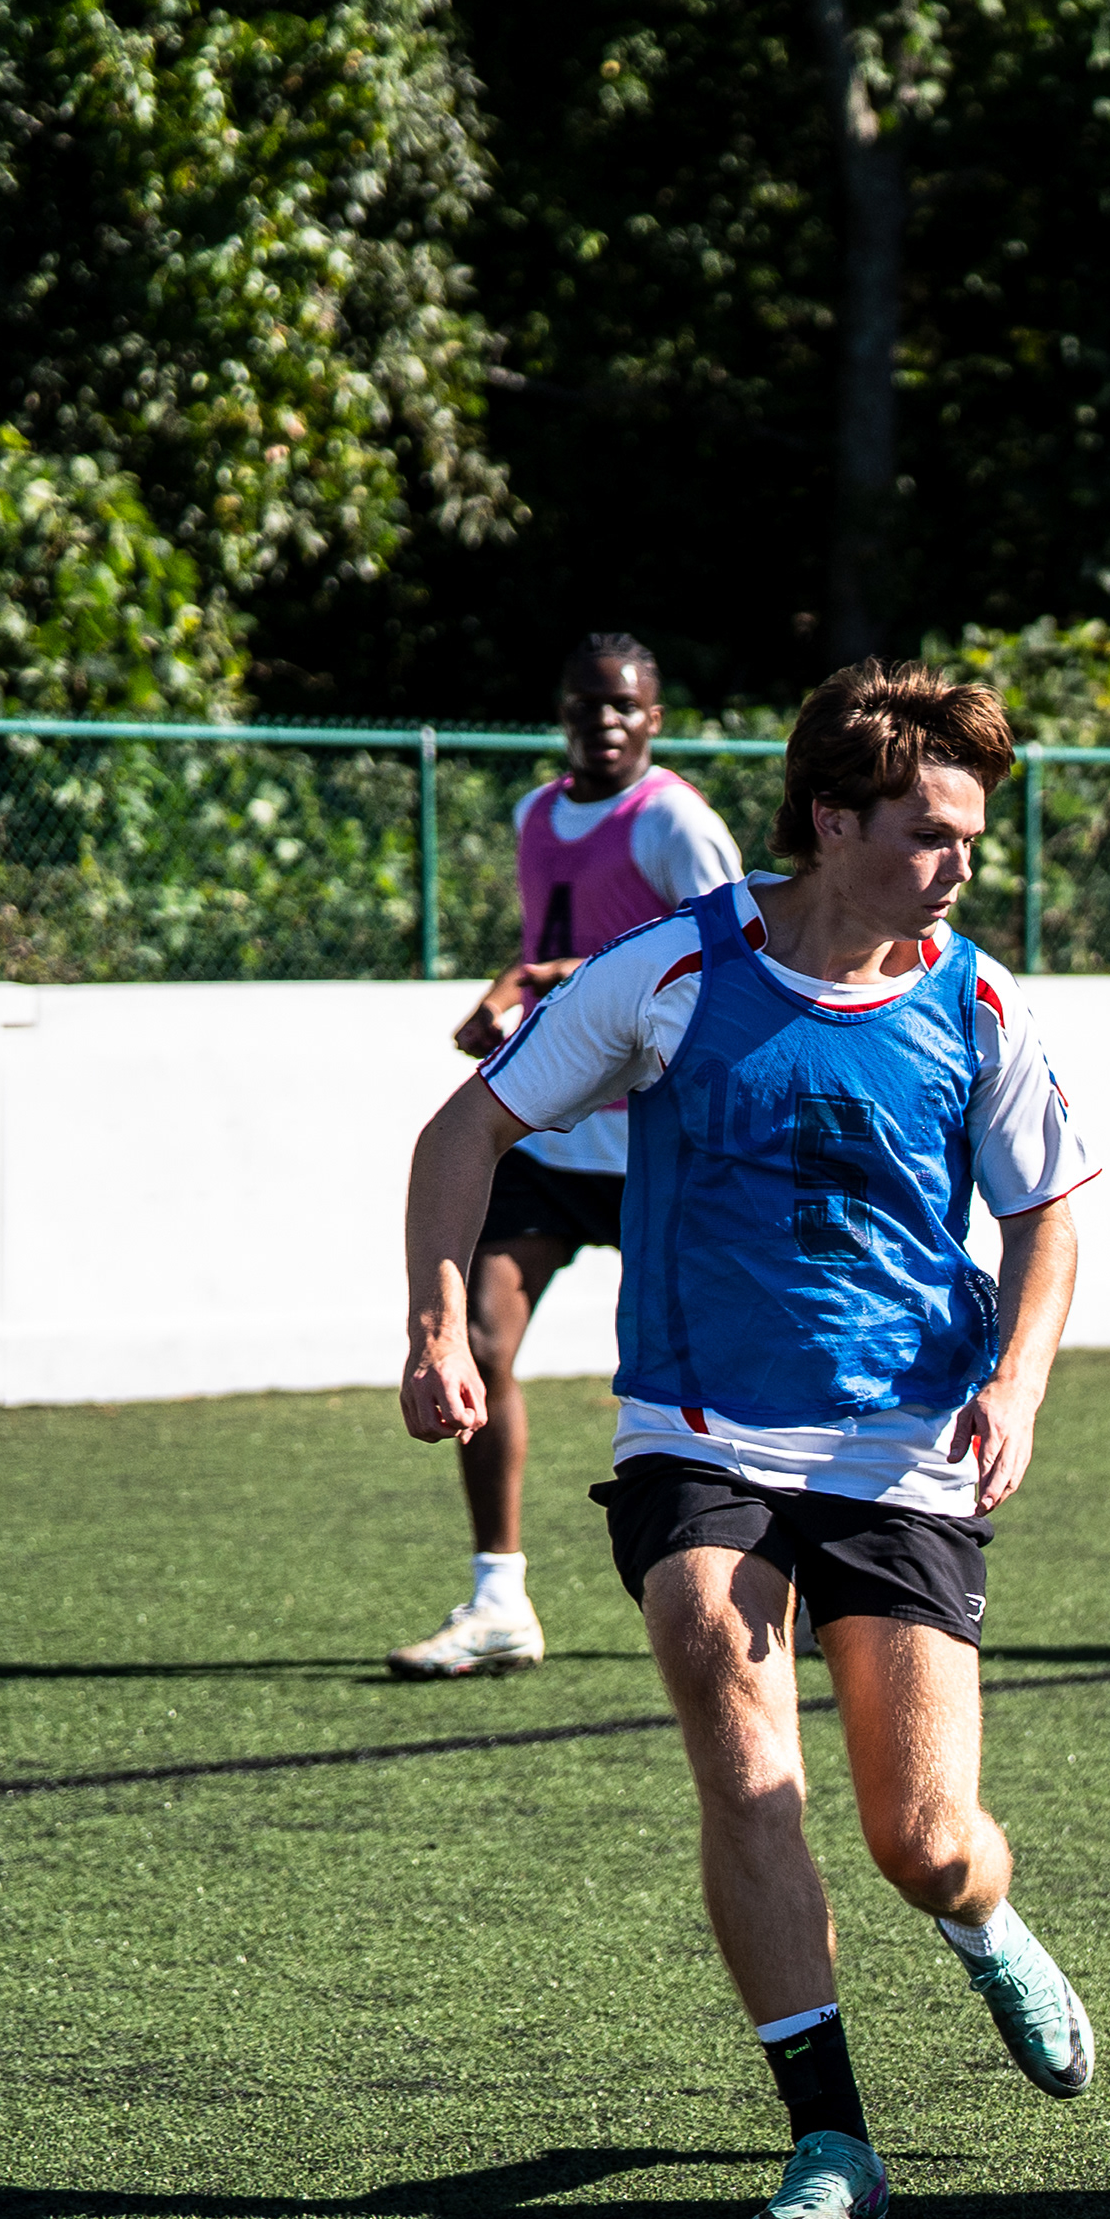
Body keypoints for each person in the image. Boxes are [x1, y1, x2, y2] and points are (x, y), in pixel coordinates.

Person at [396, 659, 1099, 2219]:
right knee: (739, 1726)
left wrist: (1020, 1385)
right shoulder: (673, 970)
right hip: (699, 1429)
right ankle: (830, 2136)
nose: (959, 864)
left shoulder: (977, 1002)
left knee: (921, 1840)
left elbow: (1049, 1210)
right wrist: (440, 1328)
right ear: (833, 822)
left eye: (971, 836)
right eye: (929, 833)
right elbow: (464, 1131)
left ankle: (984, 1919)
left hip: (905, 1447)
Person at [391, 633, 744, 1680]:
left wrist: (555, 977)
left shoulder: (677, 821)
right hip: (555, 1133)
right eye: (588, 703)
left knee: (716, 1370)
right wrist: (513, 997)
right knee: (480, 1341)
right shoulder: (536, 813)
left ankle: (789, 1577)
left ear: (655, 719)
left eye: (625, 705)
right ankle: (498, 1597)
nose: (605, 721)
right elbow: (550, 948)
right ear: (563, 712)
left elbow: (729, 951)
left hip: (662, 1140)